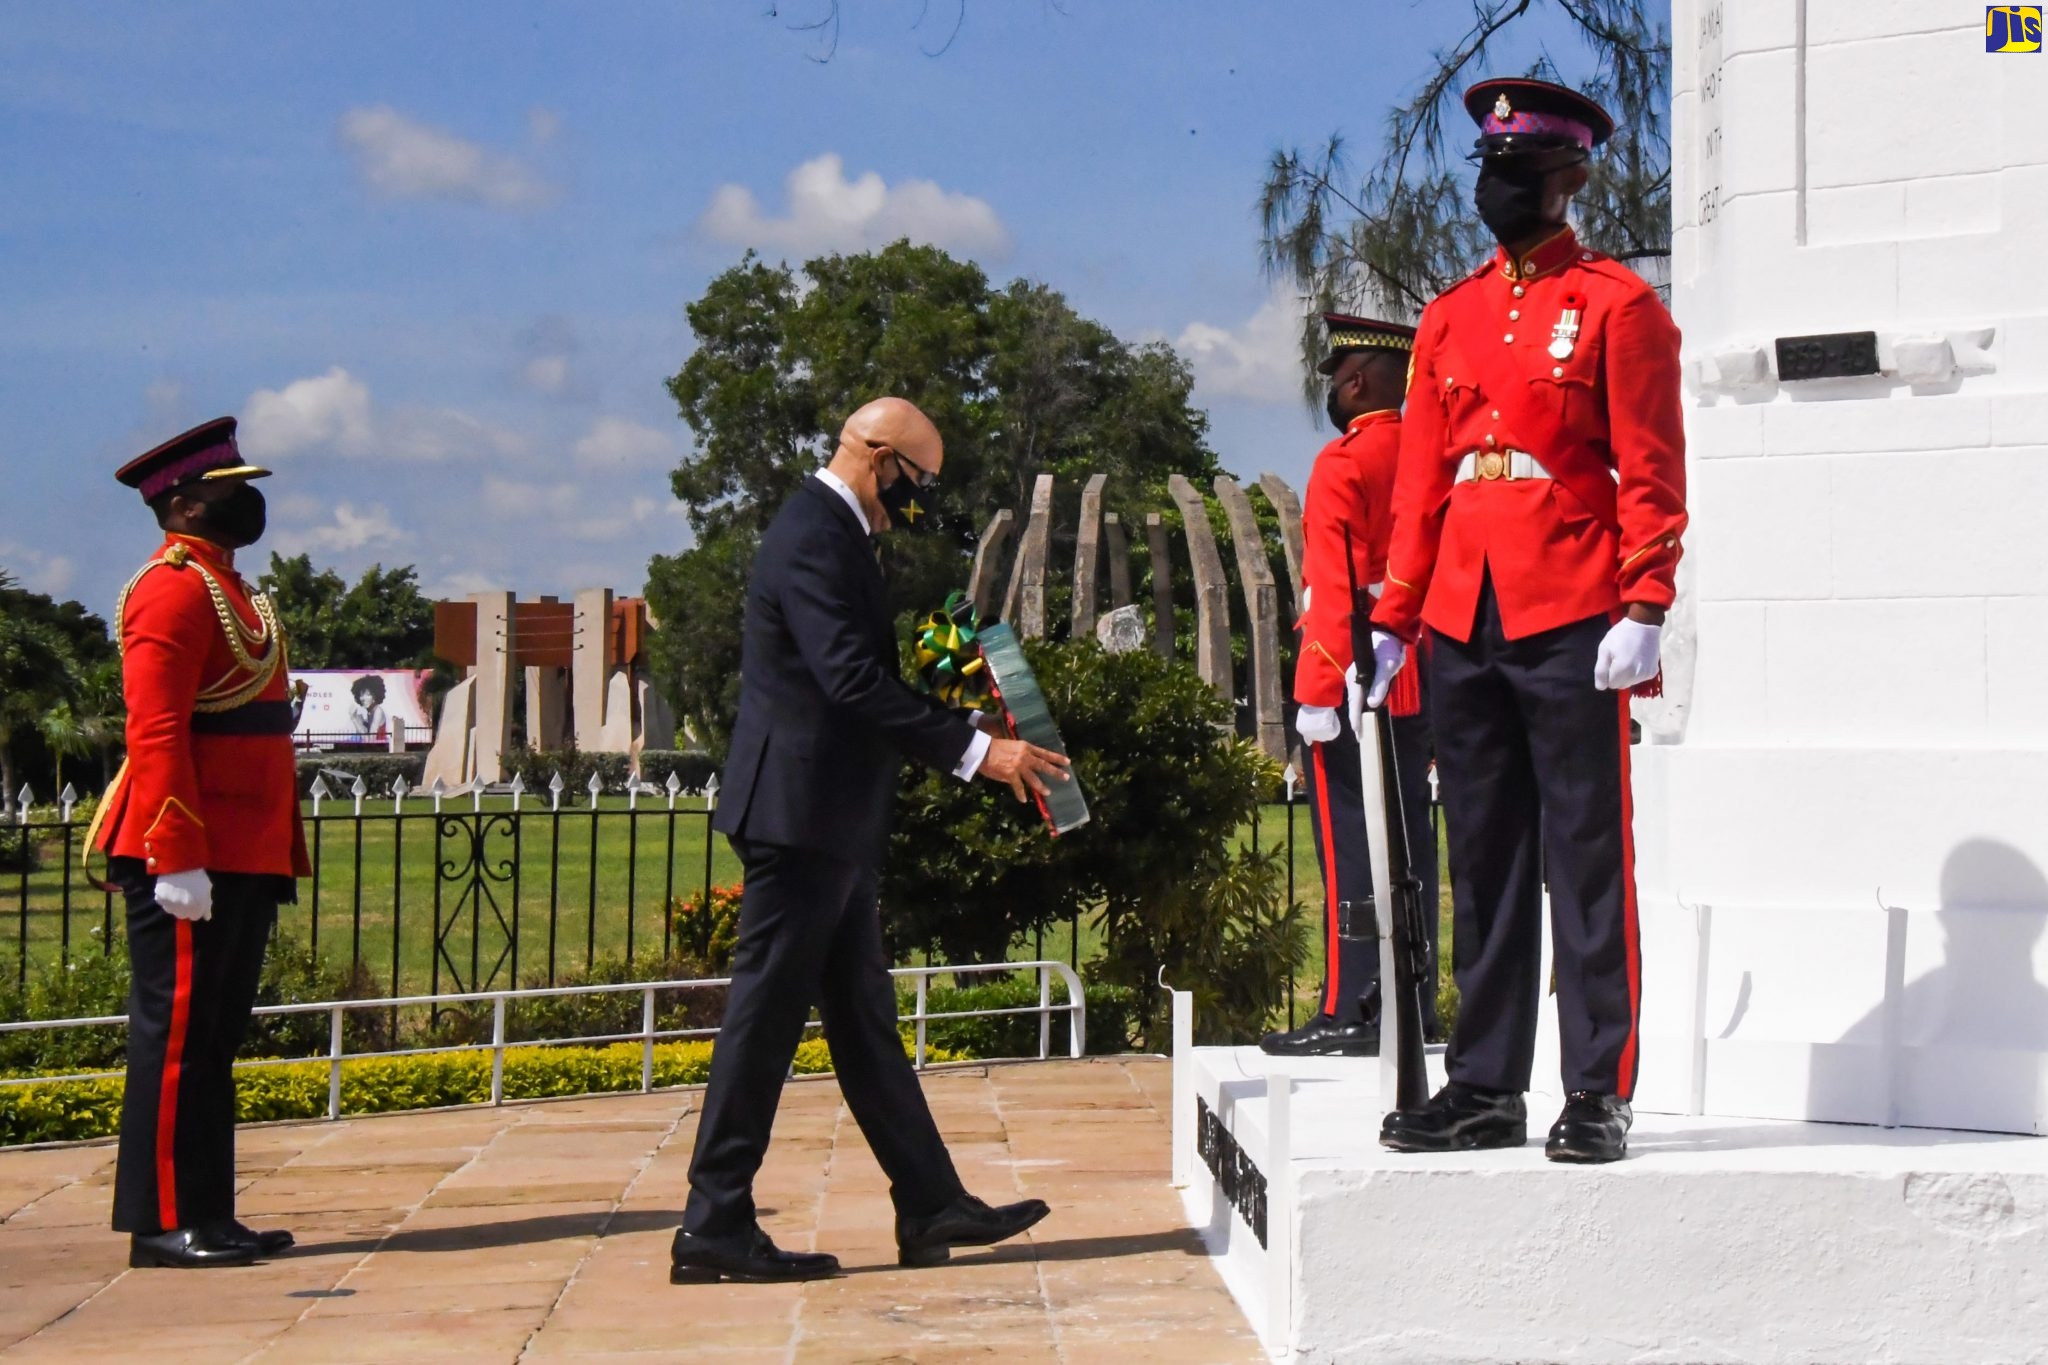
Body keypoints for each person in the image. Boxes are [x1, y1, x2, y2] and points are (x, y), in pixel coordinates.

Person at [673, 397, 1073, 1284]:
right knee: (764, 1022)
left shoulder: (835, 531)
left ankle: (930, 1201)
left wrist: (957, 713)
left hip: (826, 816)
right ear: (880, 456)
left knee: (862, 1022)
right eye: (920, 481)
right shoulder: (814, 530)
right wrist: (977, 749)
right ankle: (713, 1225)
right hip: (799, 815)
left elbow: (858, 678)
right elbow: (849, 680)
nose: (922, 502)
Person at [1366, 78, 1686, 1164]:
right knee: (1484, 857)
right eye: (1487, 172)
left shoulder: (1616, 307)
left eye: (1516, 173)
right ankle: (1485, 1085)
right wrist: (1394, 613)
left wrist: (1645, 599)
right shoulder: (1449, 317)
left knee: (1584, 856)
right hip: (1462, 608)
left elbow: (1647, 467)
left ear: (1566, 180)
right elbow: (1422, 478)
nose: (1495, 190)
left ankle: (1595, 1086)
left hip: (1570, 607)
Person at [87, 416, 309, 1265]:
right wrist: (174, 851)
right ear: (184, 501)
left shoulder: (230, 587)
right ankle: (161, 1220)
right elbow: (156, 728)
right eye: (229, 488)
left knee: (215, 1035)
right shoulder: (172, 587)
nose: (245, 500)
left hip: (242, 845)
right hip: (186, 847)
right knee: (175, 1035)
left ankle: (208, 1212)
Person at [1261, 314, 1439, 1058]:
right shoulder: (1435, 454)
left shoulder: (1344, 460)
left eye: (1336, 377)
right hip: (1420, 662)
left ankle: (1352, 1007)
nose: (1331, 390)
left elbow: (1331, 584)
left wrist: (1315, 689)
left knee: (1350, 842)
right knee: (1412, 842)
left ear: (1357, 381)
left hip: (1355, 668)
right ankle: (1415, 1004)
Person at [347, 674, 388, 741]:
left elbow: (370, 740)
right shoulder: (370, 711)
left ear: (375, 696)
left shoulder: (378, 712)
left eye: (368, 695)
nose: (363, 698)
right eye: (361, 695)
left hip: (380, 749)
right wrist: (358, 719)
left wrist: (354, 719)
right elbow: (364, 732)